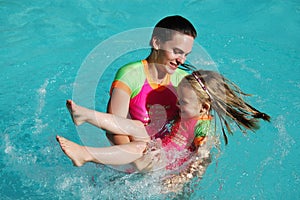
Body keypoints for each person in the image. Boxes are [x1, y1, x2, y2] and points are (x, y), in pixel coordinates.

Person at [57, 69, 270, 191]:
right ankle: (85, 115)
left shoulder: (204, 129)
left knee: (139, 147)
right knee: (137, 127)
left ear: (203, 107)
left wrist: (176, 182)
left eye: (183, 102)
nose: (177, 105)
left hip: (166, 165)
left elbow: (201, 162)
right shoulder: (190, 113)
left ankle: (86, 155)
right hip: (161, 149)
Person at [106, 15, 197, 146]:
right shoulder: (130, 75)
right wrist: (137, 157)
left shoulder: (182, 80)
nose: (181, 60)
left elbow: (198, 121)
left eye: (185, 55)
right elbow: (113, 129)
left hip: (167, 148)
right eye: (177, 51)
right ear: (157, 43)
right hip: (135, 149)